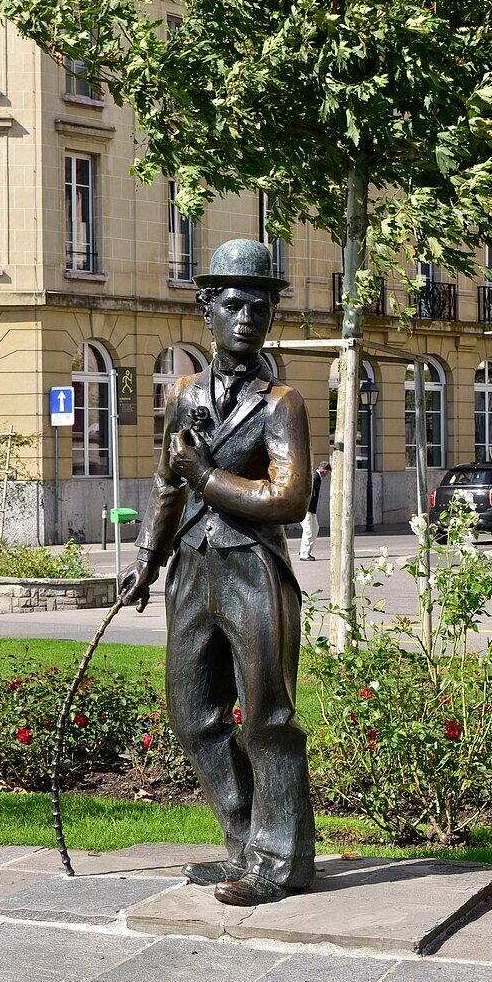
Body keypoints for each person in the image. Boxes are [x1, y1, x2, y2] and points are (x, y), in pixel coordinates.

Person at [119, 238, 316, 907]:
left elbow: (288, 499)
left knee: (268, 718)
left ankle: (280, 863)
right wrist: (147, 558)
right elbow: (164, 484)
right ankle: (242, 844)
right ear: (207, 309)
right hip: (189, 569)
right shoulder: (182, 394)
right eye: (232, 303)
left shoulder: (280, 401)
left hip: (252, 569)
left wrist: (207, 474)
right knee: (193, 716)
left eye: (258, 306)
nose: (246, 317)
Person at [298, 461, 331, 561]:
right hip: (307, 509)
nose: (328, 474)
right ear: (325, 470)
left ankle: (305, 550)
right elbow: (308, 493)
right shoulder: (315, 477)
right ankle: (304, 554)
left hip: (311, 509)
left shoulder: (316, 477)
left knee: (315, 529)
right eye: (328, 472)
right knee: (308, 531)